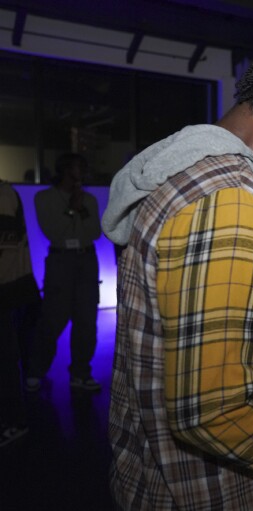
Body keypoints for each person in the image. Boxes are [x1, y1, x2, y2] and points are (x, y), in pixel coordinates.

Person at [101, 50, 253, 510]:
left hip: (155, 475)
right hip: (211, 491)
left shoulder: (183, 174)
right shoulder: (233, 205)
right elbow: (215, 411)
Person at [25, 153, 102, 393]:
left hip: (87, 260)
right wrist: (71, 211)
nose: (84, 170)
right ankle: (35, 370)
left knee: (86, 321)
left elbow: (94, 233)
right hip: (60, 262)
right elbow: (54, 232)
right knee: (52, 320)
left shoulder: (89, 199)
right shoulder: (44, 197)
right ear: (66, 169)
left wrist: (80, 209)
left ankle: (80, 372)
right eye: (80, 166)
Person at [0, 182, 39, 447]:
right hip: (10, 286)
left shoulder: (3, 194)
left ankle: (14, 420)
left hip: (6, 287)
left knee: (5, 357)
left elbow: (8, 247)